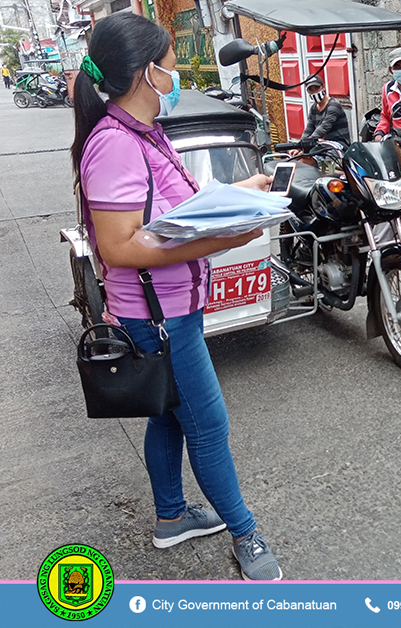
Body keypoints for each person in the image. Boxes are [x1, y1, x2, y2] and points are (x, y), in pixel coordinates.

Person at [71, 12, 282, 581]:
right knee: (207, 425)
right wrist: (223, 237)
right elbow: (117, 247)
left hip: (171, 308)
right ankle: (246, 532)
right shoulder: (115, 144)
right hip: (158, 317)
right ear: (147, 74)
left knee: (167, 414)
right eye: (170, 67)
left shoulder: (145, 132)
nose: (177, 76)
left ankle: (171, 518)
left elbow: (179, 205)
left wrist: (243, 192)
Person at [290, 75, 351, 156]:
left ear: (323, 87)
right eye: (311, 90)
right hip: (322, 144)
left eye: (317, 88)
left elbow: (323, 128)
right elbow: (308, 130)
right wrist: (298, 147)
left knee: (306, 158)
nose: (315, 92)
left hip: (338, 145)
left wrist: (304, 147)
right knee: (299, 158)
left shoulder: (333, 105)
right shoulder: (313, 109)